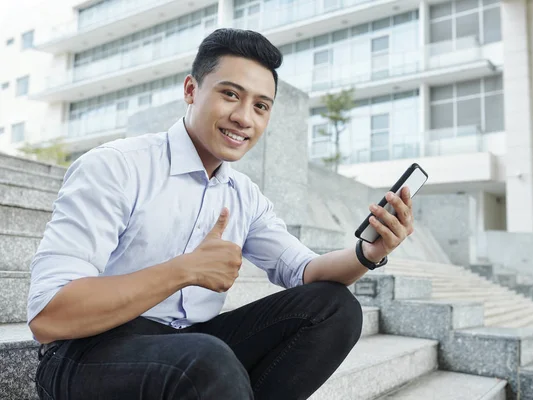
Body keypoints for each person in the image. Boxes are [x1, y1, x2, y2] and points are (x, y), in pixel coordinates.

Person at [28, 28, 415, 400]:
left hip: (189, 347)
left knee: (335, 309)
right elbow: (49, 316)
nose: (245, 118)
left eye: (260, 106)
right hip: (85, 353)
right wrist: (184, 270)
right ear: (191, 90)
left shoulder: (244, 195)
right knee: (207, 359)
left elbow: (305, 271)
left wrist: (369, 251)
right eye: (231, 95)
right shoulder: (116, 167)